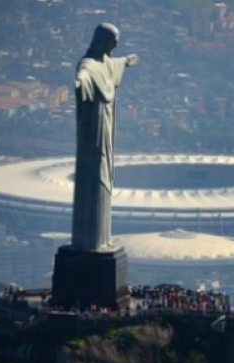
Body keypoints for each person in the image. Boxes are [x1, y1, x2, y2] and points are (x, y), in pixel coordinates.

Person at [70, 23, 139, 251]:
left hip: (107, 126)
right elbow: (84, 74)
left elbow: (113, 65)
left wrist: (126, 61)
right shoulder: (88, 65)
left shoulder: (106, 62)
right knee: (94, 177)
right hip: (94, 132)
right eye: (112, 40)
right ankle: (91, 240)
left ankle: (102, 238)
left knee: (106, 175)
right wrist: (80, 82)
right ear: (102, 41)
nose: (116, 45)